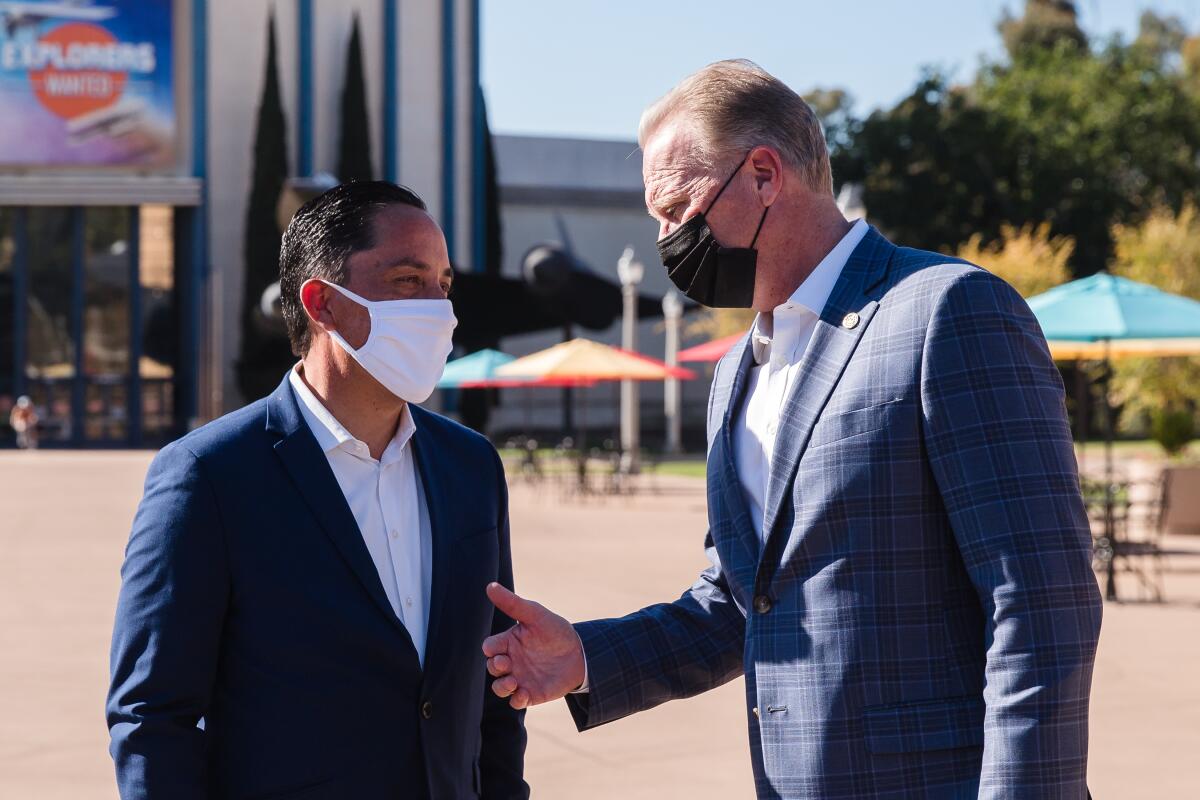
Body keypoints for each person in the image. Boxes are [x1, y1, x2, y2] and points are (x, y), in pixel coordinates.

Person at [482, 60, 1102, 799]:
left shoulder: (949, 312)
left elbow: (1039, 605)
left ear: (765, 176)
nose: (665, 240)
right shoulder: (737, 375)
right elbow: (740, 601)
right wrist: (584, 656)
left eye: (676, 209)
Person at [108, 181, 528, 799]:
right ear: (322, 303)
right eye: (409, 280)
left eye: (443, 284)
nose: (439, 309)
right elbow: (152, 716)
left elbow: (495, 681)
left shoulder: (471, 466)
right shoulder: (209, 474)